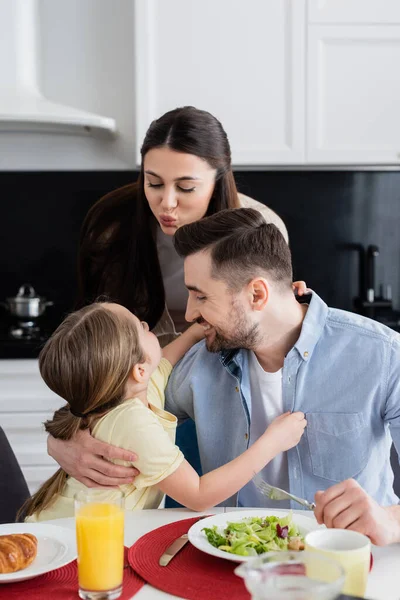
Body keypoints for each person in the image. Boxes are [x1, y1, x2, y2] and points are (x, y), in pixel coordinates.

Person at [23, 301, 306, 521]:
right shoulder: (131, 422)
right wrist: (272, 443)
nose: (147, 324)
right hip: (73, 539)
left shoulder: (133, 389)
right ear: (138, 370)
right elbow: (198, 495)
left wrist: (196, 331)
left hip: (79, 530)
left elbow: (166, 359)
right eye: (141, 328)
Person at [76, 105, 305, 345]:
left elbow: (265, 330)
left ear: (217, 183)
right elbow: (96, 324)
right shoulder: (111, 225)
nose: (167, 203)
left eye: (186, 188)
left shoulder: (260, 229)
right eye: (153, 183)